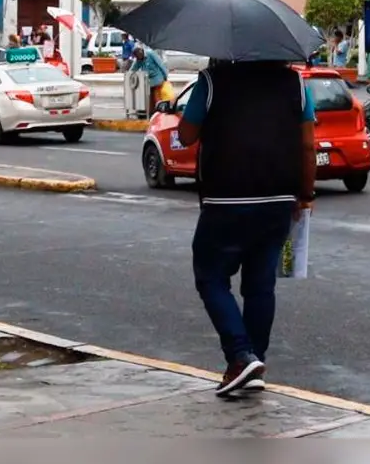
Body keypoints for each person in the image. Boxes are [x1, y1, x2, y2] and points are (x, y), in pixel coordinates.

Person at [176, 60, 317, 398]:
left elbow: (185, 135)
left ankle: (241, 356)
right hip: (280, 201)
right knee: (260, 285)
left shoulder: (212, 81)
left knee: (209, 276)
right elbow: (309, 145)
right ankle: (253, 362)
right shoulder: (294, 83)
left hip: (226, 200)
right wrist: (306, 195)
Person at [130, 46, 169, 114]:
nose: (137, 58)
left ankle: (158, 111)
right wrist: (128, 75)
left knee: (155, 94)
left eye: (137, 56)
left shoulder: (150, 54)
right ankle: (150, 111)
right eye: (136, 57)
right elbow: (133, 68)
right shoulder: (139, 59)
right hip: (148, 81)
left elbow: (161, 65)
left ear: (141, 52)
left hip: (157, 78)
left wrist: (165, 77)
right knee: (147, 95)